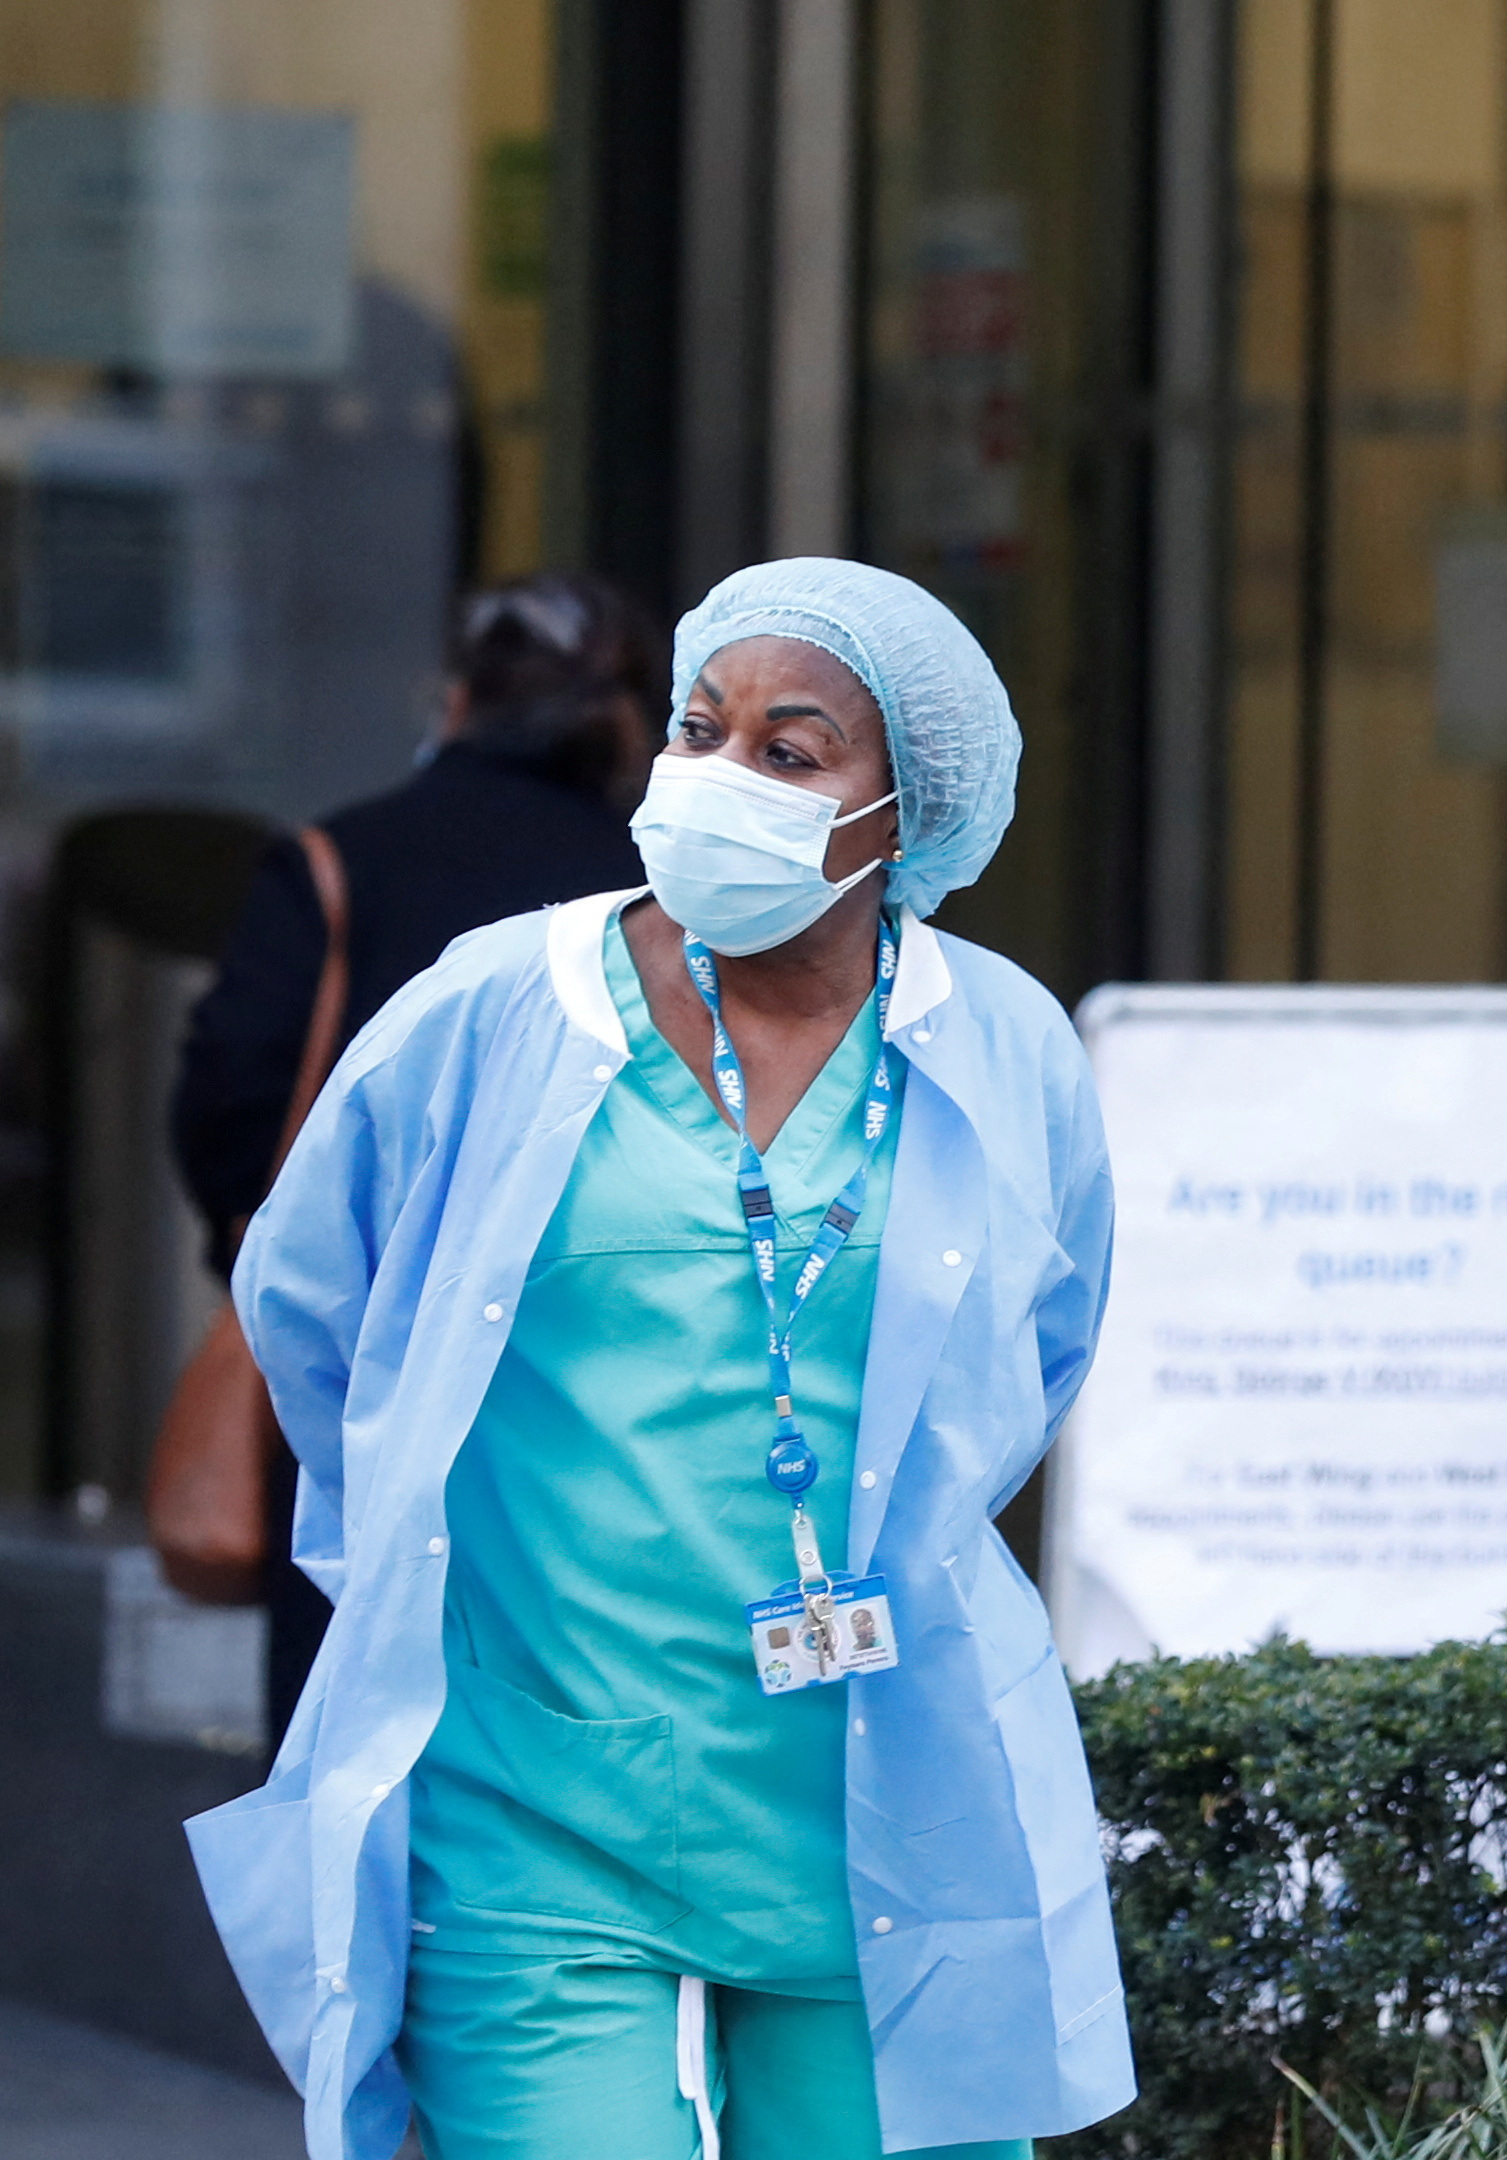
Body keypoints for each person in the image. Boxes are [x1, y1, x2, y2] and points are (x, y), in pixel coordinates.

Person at [194, 558, 1133, 2160]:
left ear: (907, 813)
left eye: (789, 750)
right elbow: (314, 1299)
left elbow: (1037, 1357)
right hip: (536, 1797)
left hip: (869, 1803)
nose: (718, 777)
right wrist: (420, 1540)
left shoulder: (1003, 1046)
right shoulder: (500, 1006)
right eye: (700, 730)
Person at [172, 571, 668, 1741]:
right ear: (635, 722)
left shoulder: (340, 861)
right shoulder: (656, 902)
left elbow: (232, 1088)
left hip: (362, 1373)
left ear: (454, 699)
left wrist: (271, 1238)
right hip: (599, 1386)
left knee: (348, 1718)